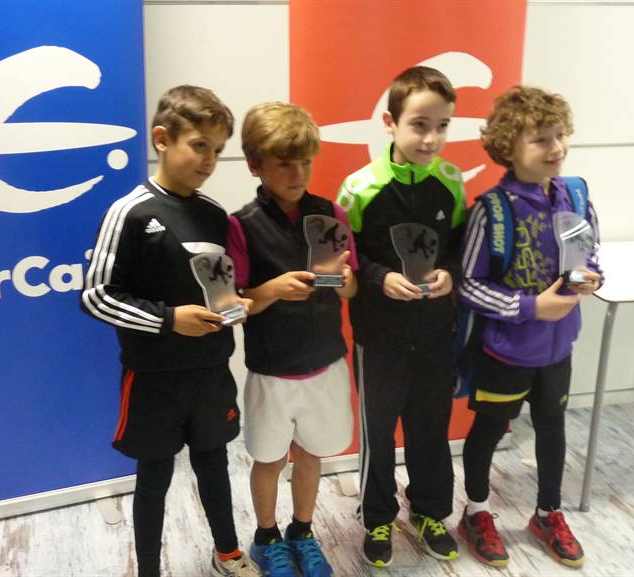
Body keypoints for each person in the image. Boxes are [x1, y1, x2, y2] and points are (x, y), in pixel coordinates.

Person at [80, 85, 258, 577]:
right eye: (199, 145)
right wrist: (168, 319)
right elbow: (96, 296)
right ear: (162, 138)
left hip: (210, 373)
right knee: (154, 476)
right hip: (153, 379)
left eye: (217, 150)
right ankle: (149, 570)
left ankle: (228, 554)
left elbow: (222, 287)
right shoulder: (130, 212)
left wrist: (235, 306)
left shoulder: (215, 216)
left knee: (214, 464)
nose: (209, 160)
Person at [456, 85, 601, 569]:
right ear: (508, 148)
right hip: (505, 351)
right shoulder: (492, 211)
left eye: (560, 135)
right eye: (540, 139)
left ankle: (547, 513)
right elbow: (469, 285)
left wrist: (591, 277)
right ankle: (476, 513)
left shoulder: (576, 195)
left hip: (558, 349)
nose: (556, 148)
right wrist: (530, 307)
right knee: (489, 430)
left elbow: (589, 254)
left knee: (552, 430)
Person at [335, 66, 466, 567]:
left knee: (430, 429)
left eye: (442, 126)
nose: (431, 138)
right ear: (390, 123)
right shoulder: (359, 187)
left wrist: (450, 274)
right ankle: (377, 518)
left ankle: (430, 511)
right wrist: (379, 278)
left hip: (434, 333)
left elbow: (458, 250)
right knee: (378, 432)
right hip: (379, 336)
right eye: (419, 125)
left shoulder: (451, 182)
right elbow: (345, 257)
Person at [227, 102, 357, 577]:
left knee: (311, 453)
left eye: (305, 161)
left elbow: (351, 290)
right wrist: (272, 290)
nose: (297, 173)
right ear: (255, 165)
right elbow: (235, 305)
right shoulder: (241, 224)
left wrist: (342, 279)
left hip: (325, 362)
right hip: (272, 369)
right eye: (284, 163)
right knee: (268, 458)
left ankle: (303, 530)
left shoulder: (330, 213)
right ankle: (267, 537)